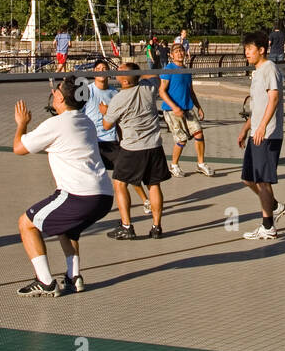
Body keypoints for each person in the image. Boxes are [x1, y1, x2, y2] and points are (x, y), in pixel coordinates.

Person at [11, 79, 115, 296]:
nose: (53, 92)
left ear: (60, 97)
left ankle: (45, 281)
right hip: (104, 196)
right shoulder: (85, 121)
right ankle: (74, 276)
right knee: (67, 228)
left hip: (79, 195)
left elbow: (19, 148)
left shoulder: (57, 123)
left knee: (26, 224)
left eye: (56, 90)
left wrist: (22, 123)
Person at [101, 62, 171, 239]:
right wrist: (140, 74)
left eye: (120, 71)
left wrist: (105, 111)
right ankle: (156, 227)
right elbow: (154, 76)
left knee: (119, 183)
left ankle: (126, 226)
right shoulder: (148, 89)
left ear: (124, 80)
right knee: (154, 184)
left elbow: (107, 124)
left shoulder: (118, 99)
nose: (116, 72)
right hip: (154, 145)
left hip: (132, 148)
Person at [238, 32, 285, 239]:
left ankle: (268, 227)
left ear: (261, 50)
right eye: (246, 48)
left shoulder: (270, 69)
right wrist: (247, 127)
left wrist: (261, 128)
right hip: (257, 132)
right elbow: (258, 105)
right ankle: (274, 206)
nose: (246, 52)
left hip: (267, 135)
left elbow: (273, 100)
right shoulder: (257, 72)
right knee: (248, 179)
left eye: (250, 49)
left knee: (263, 181)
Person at [84, 59, 149, 209]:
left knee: (127, 174)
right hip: (92, 142)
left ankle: (146, 200)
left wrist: (122, 139)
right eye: (98, 68)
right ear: (94, 72)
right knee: (87, 176)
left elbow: (120, 120)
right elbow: (78, 115)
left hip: (111, 141)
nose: (102, 70)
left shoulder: (115, 92)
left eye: (105, 68)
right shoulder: (87, 91)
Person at [158, 43, 213, 177]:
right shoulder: (168, 69)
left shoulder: (186, 71)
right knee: (181, 139)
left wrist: (198, 106)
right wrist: (174, 107)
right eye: (176, 51)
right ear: (171, 55)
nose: (180, 53)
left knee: (199, 134)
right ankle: (174, 165)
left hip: (188, 108)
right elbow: (162, 91)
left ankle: (200, 164)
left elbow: (191, 91)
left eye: (181, 51)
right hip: (172, 110)